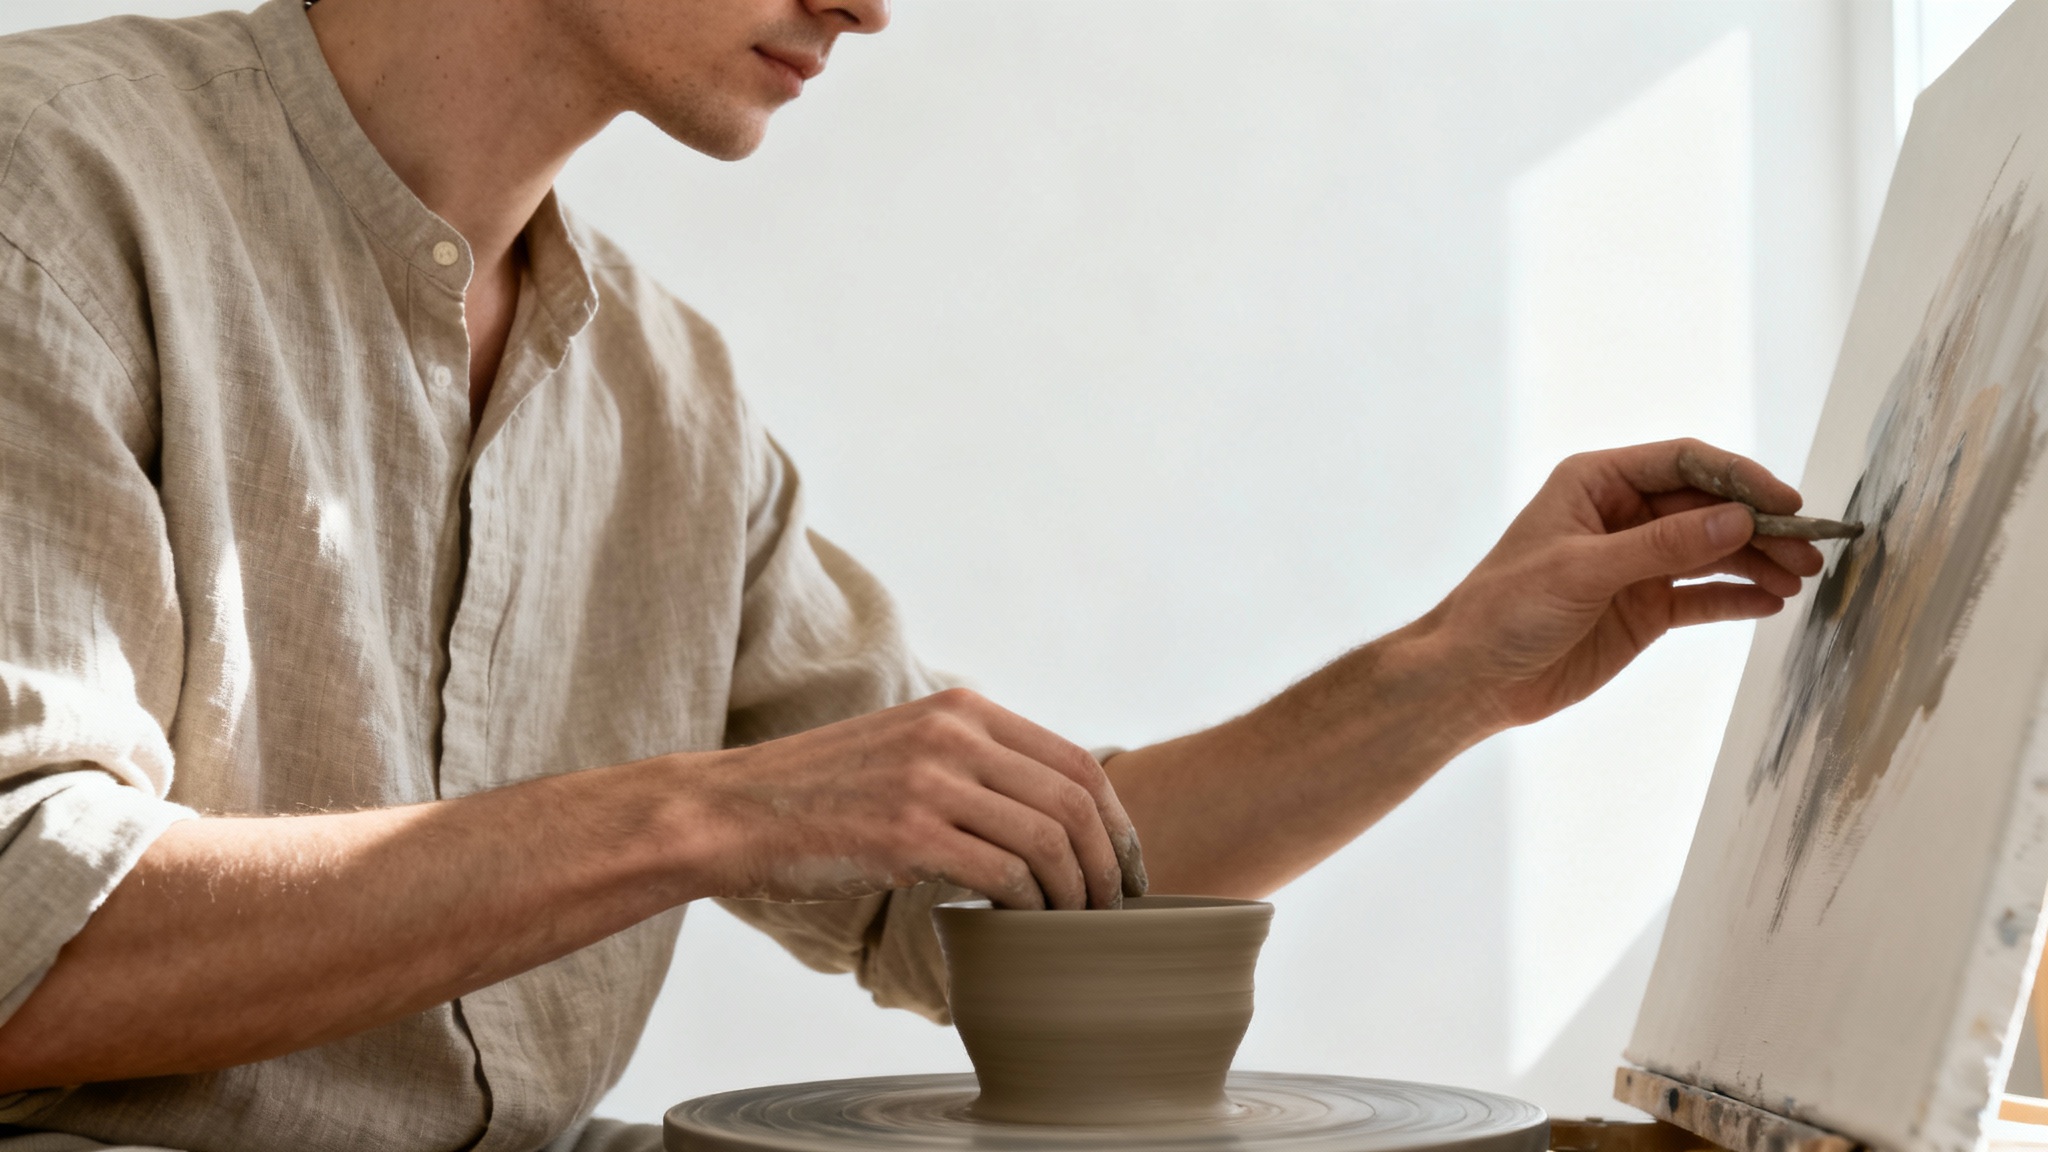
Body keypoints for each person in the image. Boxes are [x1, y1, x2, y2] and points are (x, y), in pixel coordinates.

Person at [0, 0, 1825, 1148]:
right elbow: (25, 936)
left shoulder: (668, 393)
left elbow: (966, 908)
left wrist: (1456, 673)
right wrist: (699, 814)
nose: (870, 8)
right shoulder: (51, 186)